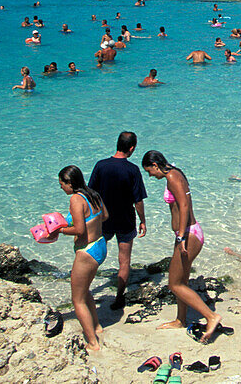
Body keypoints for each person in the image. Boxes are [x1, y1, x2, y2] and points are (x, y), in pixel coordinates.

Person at [141, 151, 223, 341]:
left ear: (155, 165)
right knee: (182, 281)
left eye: (149, 171)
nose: (150, 176)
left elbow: (184, 205)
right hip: (188, 232)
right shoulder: (175, 173)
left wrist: (180, 237)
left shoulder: (172, 177)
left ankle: (211, 317)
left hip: (188, 234)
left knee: (174, 283)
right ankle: (181, 319)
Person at [50, 165, 107, 352]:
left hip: (87, 251)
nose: (61, 188)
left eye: (62, 184)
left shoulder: (76, 199)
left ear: (69, 183)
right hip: (100, 245)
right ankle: (97, 326)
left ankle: (93, 343)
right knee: (85, 291)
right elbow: (105, 216)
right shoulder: (93, 194)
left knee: (77, 300)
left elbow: (79, 230)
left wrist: (59, 230)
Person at [89, 132, 148, 310]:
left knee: (92, 256)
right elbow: (138, 200)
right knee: (124, 261)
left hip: (103, 220)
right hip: (125, 220)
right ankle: (119, 297)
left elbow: (91, 194)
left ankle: (85, 289)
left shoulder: (100, 166)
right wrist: (143, 221)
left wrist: (91, 217)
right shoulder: (133, 170)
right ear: (131, 148)